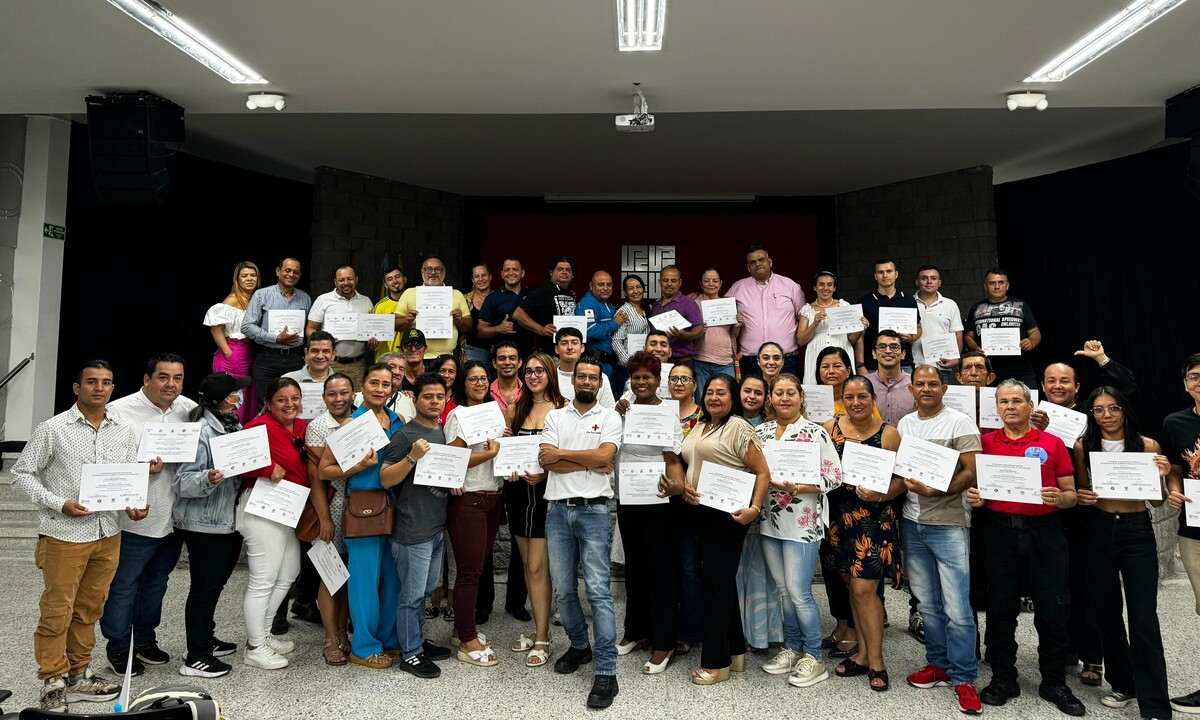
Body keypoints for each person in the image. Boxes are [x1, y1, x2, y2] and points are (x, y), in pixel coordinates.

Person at [13, 360, 152, 712]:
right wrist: (59, 503)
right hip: (64, 534)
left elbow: (126, 476)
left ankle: (78, 674)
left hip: (108, 532)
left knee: (90, 608)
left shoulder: (122, 429)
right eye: (91, 382)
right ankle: (52, 678)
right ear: (77, 388)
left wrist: (134, 504)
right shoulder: (53, 428)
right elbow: (23, 473)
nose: (99, 388)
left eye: (106, 382)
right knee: (57, 609)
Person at [967, 379, 1085, 716]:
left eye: (1016, 401)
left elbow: (1071, 493)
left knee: (1052, 607)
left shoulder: (1051, 443)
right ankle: (1004, 677)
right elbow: (975, 488)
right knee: (1001, 607)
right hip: (999, 532)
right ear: (997, 407)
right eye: (1003, 402)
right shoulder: (985, 443)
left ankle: (1054, 680)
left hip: (1044, 532)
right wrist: (974, 497)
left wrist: (1060, 498)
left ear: (1030, 405)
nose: (1010, 407)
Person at [1031, 339, 1138, 687]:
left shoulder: (1094, 412)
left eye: (1064, 381)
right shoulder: (1033, 416)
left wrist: (1102, 359)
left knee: (1088, 585)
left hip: (1089, 515)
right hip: (1048, 512)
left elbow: (1127, 388)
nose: (1057, 386)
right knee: (1053, 587)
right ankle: (1063, 650)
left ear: (1077, 387)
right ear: (1043, 386)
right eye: (1051, 381)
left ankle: (1093, 655)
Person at [1073, 386, 1172, 719]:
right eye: (1099, 410)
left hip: (1136, 530)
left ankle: (1155, 704)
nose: (1106, 416)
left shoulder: (1148, 445)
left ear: (1125, 410)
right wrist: (1083, 497)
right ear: (1092, 414)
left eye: (1113, 408)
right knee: (1106, 612)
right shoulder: (1082, 446)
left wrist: (1161, 474)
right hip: (1098, 530)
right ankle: (1124, 683)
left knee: (1143, 618)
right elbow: (1085, 491)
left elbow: (1157, 501)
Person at [668, 374, 770, 686]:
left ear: (733, 397)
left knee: (715, 587)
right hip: (698, 513)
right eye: (710, 392)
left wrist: (754, 508)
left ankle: (717, 662)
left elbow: (762, 471)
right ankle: (736, 651)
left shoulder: (738, 426)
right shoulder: (700, 425)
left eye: (721, 393)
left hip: (727, 517)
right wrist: (681, 486)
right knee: (720, 584)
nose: (714, 397)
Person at [100, 353, 197, 675]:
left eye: (178, 378)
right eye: (163, 377)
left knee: (157, 583)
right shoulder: (119, 412)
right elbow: (104, 463)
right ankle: (118, 646)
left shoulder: (188, 410)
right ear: (147, 379)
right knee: (124, 585)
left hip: (173, 518)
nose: (171, 384)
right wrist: (140, 469)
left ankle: (144, 639)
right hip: (133, 519)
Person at [896, 366, 984, 714]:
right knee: (927, 604)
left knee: (958, 608)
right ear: (912, 389)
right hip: (912, 520)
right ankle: (939, 663)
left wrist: (938, 489)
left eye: (934, 383)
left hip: (948, 522)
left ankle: (964, 678)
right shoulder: (905, 424)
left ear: (944, 388)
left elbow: (971, 471)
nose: (927, 389)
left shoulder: (960, 422)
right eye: (921, 384)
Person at [538, 353, 624, 709]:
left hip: (594, 512)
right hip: (558, 511)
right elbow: (545, 459)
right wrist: (585, 457)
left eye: (593, 377)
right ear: (572, 381)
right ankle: (578, 646)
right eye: (581, 376)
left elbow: (606, 458)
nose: (587, 381)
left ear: (600, 383)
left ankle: (606, 670)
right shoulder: (555, 416)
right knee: (563, 591)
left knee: (600, 593)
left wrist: (565, 457)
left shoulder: (610, 416)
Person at [756, 374, 843, 689]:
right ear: (771, 398)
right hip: (769, 520)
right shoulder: (761, 432)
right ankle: (792, 648)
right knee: (783, 591)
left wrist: (801, 486)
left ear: (800, 397)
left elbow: (834, 476)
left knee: (799, 592)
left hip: (803, 522)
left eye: (790, 392)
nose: (784, 398)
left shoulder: (815, 432)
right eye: (778, 392)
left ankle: (814, 656)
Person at [321, 365, 407, 671]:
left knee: (392, 577)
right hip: (365, 507)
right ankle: (364, 646)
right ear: (363, 386)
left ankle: (386, 638)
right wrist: (356, 467)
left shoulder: (397, 421)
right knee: (364, 580)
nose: (380, 389)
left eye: (386, 384)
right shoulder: (352, 423)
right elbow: (324, 469)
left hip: (395, 505)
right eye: (374, 383)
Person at [824, 376, 904, 692]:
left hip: (873, 521)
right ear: (842, 399)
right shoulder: (830, 427)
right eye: (850, 397)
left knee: (864, 590)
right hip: (839, 519)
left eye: (862, 396)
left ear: (873, 398)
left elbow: (903, 480)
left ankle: (877, 662)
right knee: (850, 586)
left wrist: (882, 496)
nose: (856, 402)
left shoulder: (889, 434)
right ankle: (861, 654)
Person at [611, 352, 687, 674]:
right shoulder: (622, 410)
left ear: (658, 380)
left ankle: (664, 641)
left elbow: (673, 458)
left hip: (658, 499)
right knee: (635, 568)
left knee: (660, 572)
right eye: (636, 377)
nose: (642, 382)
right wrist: (616, 414)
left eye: (648, 377)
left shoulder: (667, 413)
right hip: (628, 498)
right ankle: (636, 631)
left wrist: (676, 486)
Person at [173, 372, 252, 678]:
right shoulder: (200, 431)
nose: (240, 398)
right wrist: (208, 477)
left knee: (216, 585)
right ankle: (196, 656)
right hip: (204, 524)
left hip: (228, 521)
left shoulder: (233, 424)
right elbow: (182, 482)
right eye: (235, 394)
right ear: (221, 399)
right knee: (204, 589)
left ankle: (206, 638)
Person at [379, 373, 453, 679]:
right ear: (415, 398)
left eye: (439, 396)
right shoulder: (405, 436)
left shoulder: (441, 430)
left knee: (424, 591)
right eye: (428, 396)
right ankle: (409, 653)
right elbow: (385, 478)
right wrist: (411, 457)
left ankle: (417, 642)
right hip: (412, 530)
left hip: (436, 527)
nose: (434, 402)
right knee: (411, 595)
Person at [236, 377, 309, 671]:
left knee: (289, 572)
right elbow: (233, 461)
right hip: (262, 510)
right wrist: (266, 469)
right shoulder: (257, 428)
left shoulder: (302, 427)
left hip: (289, 511)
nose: (290, 404)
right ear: (268, 402)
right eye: (282, 399)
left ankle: (263, 635)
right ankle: (255, 648)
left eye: (294, 398)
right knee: (262, 580)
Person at [504, 351, 564, 668]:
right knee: (528, 564)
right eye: (529, 371)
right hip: (518, 492)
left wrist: (547, 473)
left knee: (538, 566)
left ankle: (542, 637)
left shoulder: (562, 409)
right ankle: (538, 629)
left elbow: (566, 457)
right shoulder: (516, 408)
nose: (534, 375)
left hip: (546, 493)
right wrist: (506, 458)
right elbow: (506, 450)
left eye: (540, 370)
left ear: (551, 373)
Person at [444, 361, 504, 666]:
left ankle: (462, 629)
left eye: (483, 379)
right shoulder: (457, 414)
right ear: (462, 384)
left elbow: (501, 451)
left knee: (477, 569)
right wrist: (491, 453)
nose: (479, 383)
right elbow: (452, 458)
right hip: (470, 499)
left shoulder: (494, 411)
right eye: (473, 379)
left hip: (492, 495)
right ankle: (467, 642)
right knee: (469, 572)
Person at [303, 373, 356, 666]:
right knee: (330, 575)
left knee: (347, 575)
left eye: (344, 393)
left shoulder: (359, 420)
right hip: (330, 508)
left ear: (353, 394)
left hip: (356, 508)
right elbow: (316, 480)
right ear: (324, 398)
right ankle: (330, 638)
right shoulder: (319, 427)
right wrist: (324, 519)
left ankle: (344, 633)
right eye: (332, 394)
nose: (338, 399)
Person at [1163, 353, 1200, 716]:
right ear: (1186, 383)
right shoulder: (1176, 423)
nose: (1199, 381)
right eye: (1193, 376)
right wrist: (1173, 486)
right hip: (1194, 529)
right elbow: (1176, 467)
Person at [241, 257, 312, 407]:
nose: (291, 274)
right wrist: (275, 338)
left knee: (293, 405)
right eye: (287, 270)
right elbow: (247, 326)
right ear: (278, 271)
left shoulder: (305, 298)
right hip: (267, 359)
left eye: (296, 272)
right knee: (266, 405)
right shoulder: (262, 295)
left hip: (295, 359)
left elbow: (308, 329)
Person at [726, 245, 805, 378]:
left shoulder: (790, 286)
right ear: (748, 267)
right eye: (752, 262)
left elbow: (803, 316)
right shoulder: (737, 287)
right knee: (753, 398)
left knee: (785, 397)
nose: (757, 264)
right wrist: (700, 298)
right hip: (751, 360)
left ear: (770, 262)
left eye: (761, 260)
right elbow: (720, 311)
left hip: (786, 358)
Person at [963, 268, 1041, 387]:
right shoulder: (976, 308)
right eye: (992, 283)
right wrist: (975, 348)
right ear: (985, 286)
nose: (997, 286)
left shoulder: (1021, 305)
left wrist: (1031, 342)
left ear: (1007, 285)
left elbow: (1035, 332)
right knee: (989, 404)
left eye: (1001, 282)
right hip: (988, 369)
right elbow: (968, 336)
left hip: (1021, 368)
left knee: (1026, 402)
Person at [204, 260, 260, 423]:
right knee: (233, 400)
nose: (249, 279)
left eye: (253, 275)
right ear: (237, 279)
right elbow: (215, 328)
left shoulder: (254, 299)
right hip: (233, 353)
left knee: (248, 398)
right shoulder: (233, 299)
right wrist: (229, 352)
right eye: (244, 276)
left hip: (249, 353)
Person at [306, 265, 374, 389]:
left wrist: (373, 341)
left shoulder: (366, 301)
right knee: (331, 400)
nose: (346, 283)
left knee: (356, 402)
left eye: (350, 279)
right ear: (335, 282)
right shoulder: (323, 300)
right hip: (331, 364)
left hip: (357, 365)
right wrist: (323, 344)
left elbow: (371, 330)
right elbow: (310, 329)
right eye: (341, 280)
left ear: (356, 280)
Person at [394, 255, 473, 361]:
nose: (433, 273)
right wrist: (407, 320)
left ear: (444, 272)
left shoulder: (456, 294)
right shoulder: (409, 293)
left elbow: (469, 326)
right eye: (429, 269)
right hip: (416, 358)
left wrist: (459, 320)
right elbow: (394, 324)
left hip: (447, 358)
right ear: (422, 272)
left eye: (437, 269)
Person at [796, 270, 863, 386]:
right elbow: (800, 341)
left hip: (842, 348)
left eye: (829, 284)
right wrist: (815, 323)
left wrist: (860, 327)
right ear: (815, 288)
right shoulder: (807, 309)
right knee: (817, 385)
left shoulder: (844, 306)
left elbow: (852, 339)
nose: (825, 288)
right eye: (821, 284)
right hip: (816, 351)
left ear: (834, 288)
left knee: (844, 386)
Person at [856, 258, 920, 373]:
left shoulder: (908, 299)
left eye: (889, 271)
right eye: (880, 272)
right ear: (875, 276)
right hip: (873, 365)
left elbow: (919, 327)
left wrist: (912, 338)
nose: (885, 275)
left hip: (904, 364)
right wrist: (860, 365)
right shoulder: (864, 301)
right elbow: (859, 337)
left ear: (896, 274)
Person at [911, 265, 964, 384]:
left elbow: (957, 333)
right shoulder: (908, 303)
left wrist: (956, 357)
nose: (929, 281)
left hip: (941, 366)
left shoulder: (950, 305)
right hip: (914, 365)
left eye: (933, 278)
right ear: (917, 282)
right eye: (924, 278)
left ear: (939, 282)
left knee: (942, 401)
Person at [514, 255, 577, 356]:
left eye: (568, 270)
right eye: (560, 269)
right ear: (551, 273)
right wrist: (541, 329)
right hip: (548, 353)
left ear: (572, 275)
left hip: (568, 351)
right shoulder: (542, 291)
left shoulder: (571, 293)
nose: (564, 272)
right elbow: (518, 314)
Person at [693, 267, 739, 397]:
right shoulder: (694, 304)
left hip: (725, 360)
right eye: (707, 281)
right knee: (702, 399)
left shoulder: (728, 304)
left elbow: (734, 335)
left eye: (715, 281)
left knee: (728, 397)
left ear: (721, 283)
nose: (711, 284)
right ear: (701, 283)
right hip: (701, 359)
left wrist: (737, 324)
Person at [650, 265, 704, 365]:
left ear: (680, 283)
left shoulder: (688, 303)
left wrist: (684, 335)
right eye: (665, 280)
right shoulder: (656, 305)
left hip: (682, 361)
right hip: (659, 360)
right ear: (659, 282)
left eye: (673, 281)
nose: (669, 284)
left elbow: (699, 329)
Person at [476, 257, 528, 356]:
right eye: (507, 270)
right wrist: (498, 328)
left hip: (529, 354)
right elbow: (480, 331)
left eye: (515, 269)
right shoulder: (493, 298)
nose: (511, 273)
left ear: (522, 273)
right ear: (502, 274)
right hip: (502, 357)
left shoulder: (532, 295)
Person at [577, 270, 620, 387]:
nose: (605, 288)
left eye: (609, 285)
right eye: (601, 284)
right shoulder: (588, 303)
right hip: (596, 362)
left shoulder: (608, 304)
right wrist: (615, 323)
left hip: (610, 362)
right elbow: (590, 330)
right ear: (591, 286)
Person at [555, 327, 616, 408]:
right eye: (564, 343)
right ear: (556, 349)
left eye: (574, 343)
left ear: (582, 348)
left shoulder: (600, 377)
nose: (569, 347)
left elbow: (610, 411)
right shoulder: (549, 377)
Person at [865, 330, 915, 427]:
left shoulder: (914, 385)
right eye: (882, 347)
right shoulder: (864, 384)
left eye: (894, 347)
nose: (888, 351)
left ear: (903, 354)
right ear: (874, 354)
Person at [284, 330, 335, 423]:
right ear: (306, 353)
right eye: (315, 351)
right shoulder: (288, 380)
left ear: (333, 355)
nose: (320, 356)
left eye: (326, 351)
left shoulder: (341, 383)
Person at [355, 351, 416, 421]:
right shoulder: (356, 398)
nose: (397, 372)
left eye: (401, 369)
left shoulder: (408, 400)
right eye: (392, 367)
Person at [611, 274, 652, 369]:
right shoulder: (623, 312)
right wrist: (628, 361)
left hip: (646, 363)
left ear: (643, 289)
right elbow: (616, 341)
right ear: (625, 292)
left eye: (638, 287)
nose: (635, 291)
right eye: (631, 288)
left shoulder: (648, 308)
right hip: (628, 366)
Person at [371, 265, 407, 361]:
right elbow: (373, 337)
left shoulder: (415, 301)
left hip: (410, 357)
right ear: (386, 285)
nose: (395, 281)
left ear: (405, 279)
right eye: (390, 279)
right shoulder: (380, 306)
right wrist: (373, 342)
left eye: (398, 277)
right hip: (386, 360)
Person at [462, 263, 494, 364]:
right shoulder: (465, 299)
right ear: (472, 280)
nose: (480, 279)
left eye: (484, 275)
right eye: (477, 276)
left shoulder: (499, 297)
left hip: (497, 349)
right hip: (472, 350)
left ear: (490, 277)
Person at [490, 340, 523, 415]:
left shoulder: (529, 391)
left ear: (520, 362)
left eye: (512, 358)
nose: (507, 362)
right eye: (502, 358)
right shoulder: (485, 392)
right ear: (494, 363)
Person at [670, 363, 703, 435]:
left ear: (694, 386)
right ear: (668, 384)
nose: (678, 383)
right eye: (673, 379)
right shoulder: (660, 412)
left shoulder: (704, 416)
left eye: (685, 379)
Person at [434, 354, 460, 425]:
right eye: (442, 371)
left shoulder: (460, 401)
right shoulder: (426, 397)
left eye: (451, 372)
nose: (446, 375)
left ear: (456, 375)